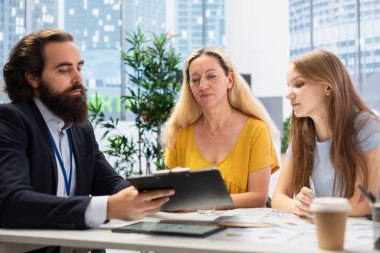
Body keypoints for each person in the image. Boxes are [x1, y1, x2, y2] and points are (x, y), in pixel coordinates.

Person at [0, 28, 174, 230]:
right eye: (65, 70)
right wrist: (107, 208)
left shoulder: (80, 127)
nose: (78, 79)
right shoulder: (10, 121)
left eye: (79, 68)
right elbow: (11, 202)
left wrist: (159, 197)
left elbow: (109, 184)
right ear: (33, 77)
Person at [163, 47, 279, 208]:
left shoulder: (256, 130)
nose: (202, 85)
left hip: (243, 229)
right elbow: (171, 194)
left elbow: (258, 198)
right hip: (194, 227)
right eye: (195, 79)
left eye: (211, 76)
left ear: (230, 80)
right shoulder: (179, 132)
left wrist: (199, 203)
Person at [272, 50, 380, 216]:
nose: (289, 95)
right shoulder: (303, 134)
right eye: (289, 86)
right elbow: (278, 197)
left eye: (299, 84)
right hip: (331, 225)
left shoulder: (365, 126)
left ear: (328, 87)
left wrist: (315, 207)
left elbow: (363, 204)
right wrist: (297, 205)